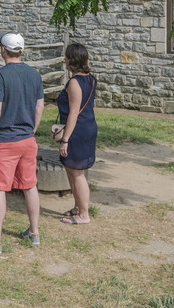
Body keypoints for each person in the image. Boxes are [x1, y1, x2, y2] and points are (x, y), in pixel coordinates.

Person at [0, 32, 44, 255]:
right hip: (27, 139)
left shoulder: (0, 76)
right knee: (30, 185)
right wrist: (32, 129)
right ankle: (34, 232)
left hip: (5, 139)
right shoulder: (34, 74)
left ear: (3, 50)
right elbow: (40, 106)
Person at [57, 43, 98, 224]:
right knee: (72, 170)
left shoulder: (74, 83)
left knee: (78, 173)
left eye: (66, 57)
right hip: (88, 126)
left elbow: (74, 112)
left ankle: (84, 214)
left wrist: (65, 139)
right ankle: (77, 206)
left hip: (77, 131)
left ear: (72, 60)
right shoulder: (91, 79)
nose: (64, 60)